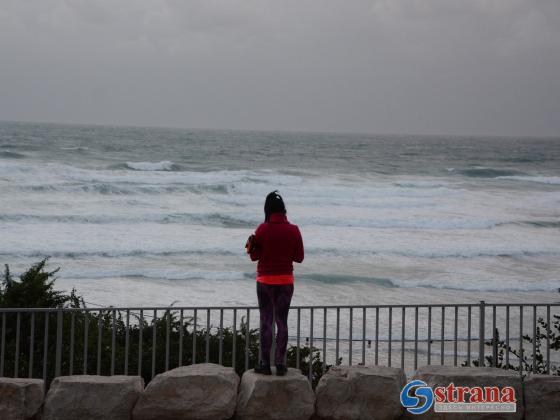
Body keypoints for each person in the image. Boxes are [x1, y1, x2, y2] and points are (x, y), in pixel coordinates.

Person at [246, 191, 304, 376]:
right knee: (282, 322)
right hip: (286, 281)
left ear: (267, 210)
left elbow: (255, 257)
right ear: (283, 210)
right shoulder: (294, 230)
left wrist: (251, 246)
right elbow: (299, 257)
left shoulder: (262, 229)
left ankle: (265, 364)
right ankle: (280, 364)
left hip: (264, 281)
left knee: (266, 321)